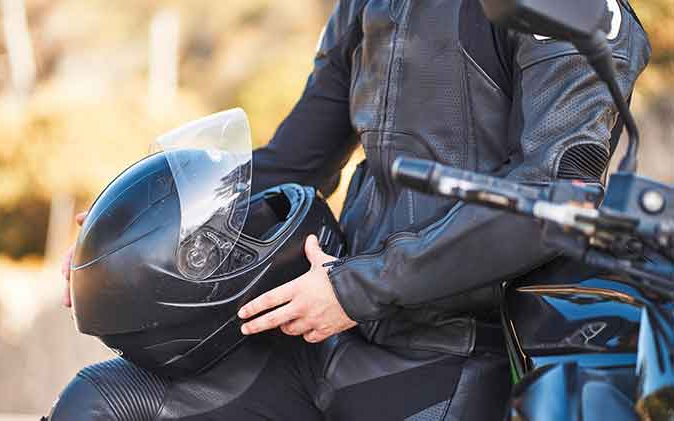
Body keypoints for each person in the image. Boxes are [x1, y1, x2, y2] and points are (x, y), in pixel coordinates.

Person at [49, 0, 650, 419]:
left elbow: (555, 201)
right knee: (101, 404)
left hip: (447, 355)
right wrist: (127, 236)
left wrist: (356, 290)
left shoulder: (567, 8)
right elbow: (293, 160)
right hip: (324, 334)